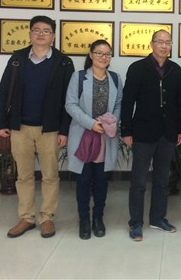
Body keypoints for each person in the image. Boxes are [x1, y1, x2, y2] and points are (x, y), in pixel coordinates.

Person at [0, 15, 74, 239]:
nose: (41, 34)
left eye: (46, 31)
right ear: (30, 34)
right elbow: (3, 91)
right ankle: (26, 218)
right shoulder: (17, 59)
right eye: (36, 30)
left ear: (53, 36)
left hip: (50, 129)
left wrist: (64, 130)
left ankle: (47, 218)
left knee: (50, 175)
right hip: (20, 127)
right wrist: (1, 123)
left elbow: (69, 100)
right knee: (23, 175)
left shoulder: (63, 62)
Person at [121, 30, 181, 242]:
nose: (164, 46)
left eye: (168, 42)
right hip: (143, 132)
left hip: (168, 133)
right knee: (138, 181)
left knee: (162, 180)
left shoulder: (175, 69)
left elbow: (179, 101)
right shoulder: (137, 68)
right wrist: (126, 131)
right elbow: (128, 102)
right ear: (151, 44)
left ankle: (158, 218)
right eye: (160, 42)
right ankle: (136, 223)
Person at [65, 40, 122, 240]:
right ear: (90, 55)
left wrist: (111, 121)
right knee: (83, 179)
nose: (103, 57)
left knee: (101, 179)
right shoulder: (79, 77)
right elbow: (70, 104)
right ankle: (84, 220)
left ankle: (98, 218)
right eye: (99, 53)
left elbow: (119, 103)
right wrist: (91, 124)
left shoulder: (115, 78)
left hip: (106, 136)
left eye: (107, 54)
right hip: (84, 134)